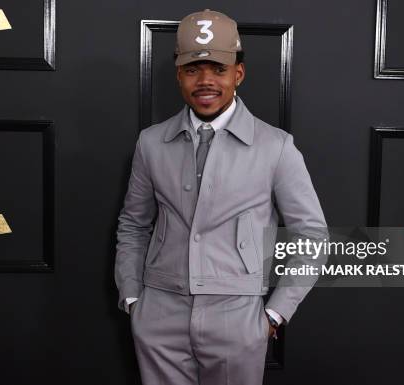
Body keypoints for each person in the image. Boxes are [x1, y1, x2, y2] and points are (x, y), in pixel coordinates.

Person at [115, 9, 328, 385]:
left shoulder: (276, 147)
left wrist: (275, 314)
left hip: (238, 317)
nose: (205, 81)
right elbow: (133, 224)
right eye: (193, 70)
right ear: (179, 74)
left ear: (238, 74)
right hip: (160, 313)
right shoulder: (150, 143)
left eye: (218, 69)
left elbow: (311, 236)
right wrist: (133, 297)